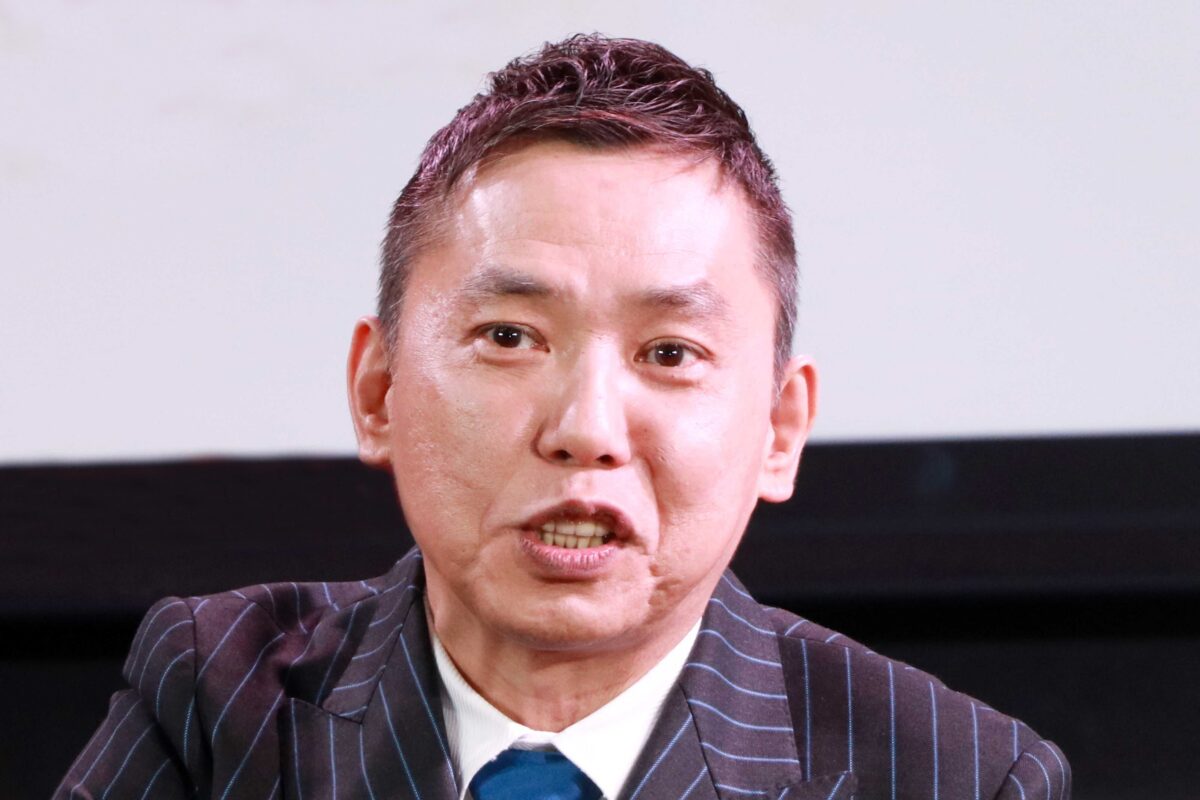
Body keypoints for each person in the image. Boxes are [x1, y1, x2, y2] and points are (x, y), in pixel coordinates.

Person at [57, 34, 1070, 800]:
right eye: (510, 336)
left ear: (779, 429)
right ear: (378, 392)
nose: (586, 428)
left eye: (668, 353)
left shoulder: (958, 777)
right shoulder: (216, 701)